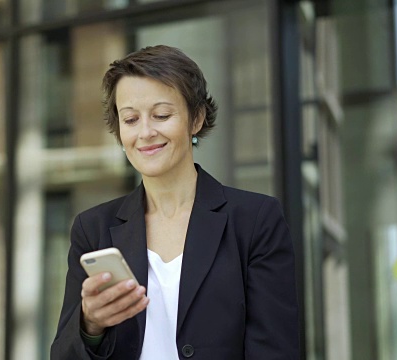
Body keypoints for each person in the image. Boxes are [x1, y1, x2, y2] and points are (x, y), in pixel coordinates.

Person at [50, 45, 299, 360]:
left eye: (162, 115)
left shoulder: (255, 220)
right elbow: (63, 355)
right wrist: (90, 324)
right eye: (130, 119)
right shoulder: (93, 228)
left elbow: (275, 350)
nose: (145, 132)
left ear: (196, 119)